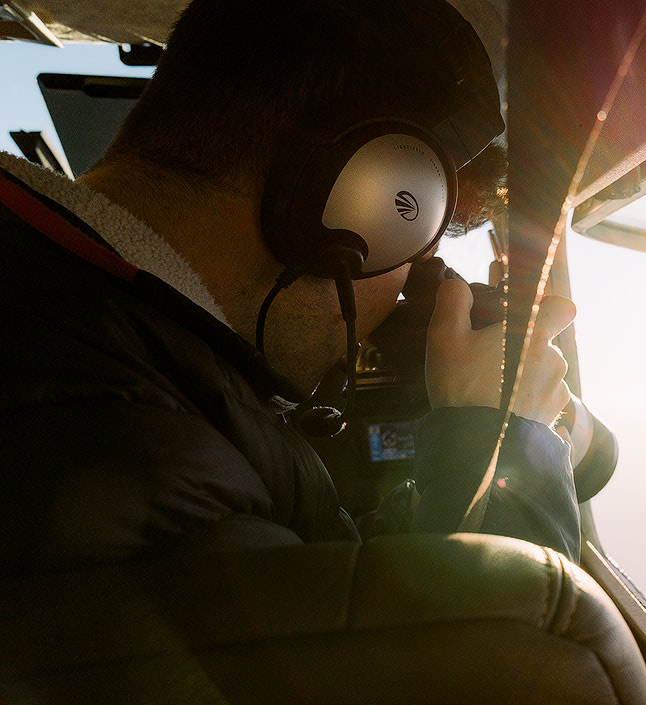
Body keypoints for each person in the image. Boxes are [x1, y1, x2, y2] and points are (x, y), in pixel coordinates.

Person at [0, 0, 581, 577]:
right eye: (415, 254)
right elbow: (516, 663)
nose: (408, 291)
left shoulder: (89, 339)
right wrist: (501, 441)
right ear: (364, 208)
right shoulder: (148, 459)